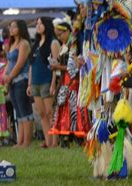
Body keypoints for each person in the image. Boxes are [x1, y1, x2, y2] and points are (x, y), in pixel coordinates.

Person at [49, 18, 90, 146]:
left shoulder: (74, 45)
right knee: (65, 107)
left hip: (73, 81)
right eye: (57, 35)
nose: (59, 37)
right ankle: (66, 134)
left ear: (67, 32)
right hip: (65, 81)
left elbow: (72, 68)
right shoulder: (64, 46)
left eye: (61, 34)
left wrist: (57, 67)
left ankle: (78, 135)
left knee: (75, 107)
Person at [28, 17, 59, 148]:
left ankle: (55, 141)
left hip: (46, 81)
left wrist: (53, 83)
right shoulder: (35, 43)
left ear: (47, 25)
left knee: (50, 112)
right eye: (37, 23)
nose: (38, 25)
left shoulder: (53, 43)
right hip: (35, 82)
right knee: (41, 113)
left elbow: (55, 65)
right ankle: (48, 140)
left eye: (41, 23)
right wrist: (29, 84)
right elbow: (31, 65)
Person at [3, 20, 33, 148]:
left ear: (20, 28)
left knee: (25, 110)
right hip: (12, 81)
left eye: (14, 26)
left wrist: (9, 76)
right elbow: (9, 62)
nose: (11, 29)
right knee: (18, 111)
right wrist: (4, 75)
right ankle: (20, 141)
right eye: (10, 26)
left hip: (21, 79)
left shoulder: (24, 43)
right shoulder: (12, 43)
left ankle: (26, 141)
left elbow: (20, 63)